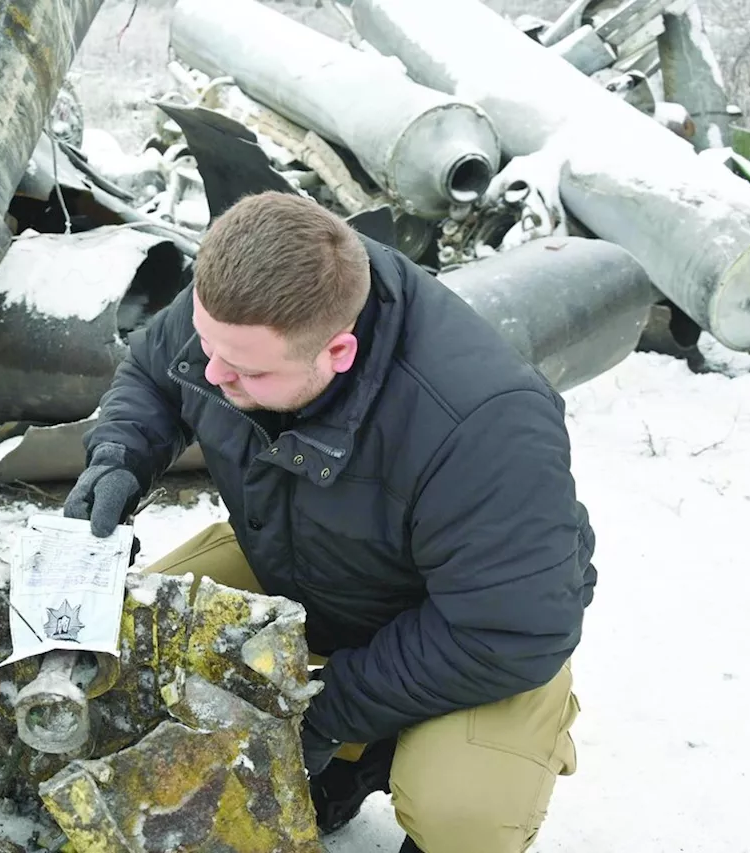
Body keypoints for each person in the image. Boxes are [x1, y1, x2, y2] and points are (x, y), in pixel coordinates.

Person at [63, 190, 596, 853]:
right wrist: (119, 456)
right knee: (122, 645)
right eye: (208, 345)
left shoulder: (486, 423)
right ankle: (344, 768)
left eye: (247, 370)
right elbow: (153, 371)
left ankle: (378, 754)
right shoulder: (241, 309)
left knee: (464, 812)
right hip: (304, 562)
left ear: (338, 352)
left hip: (469, 633)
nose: (211, 372)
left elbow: (508, 628)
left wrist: (318, 716)